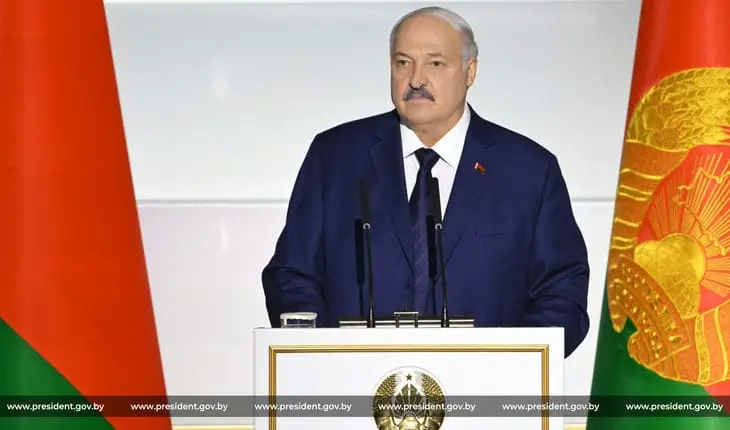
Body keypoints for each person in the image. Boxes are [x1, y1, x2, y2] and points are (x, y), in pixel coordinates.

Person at [262, 6, 589, 356]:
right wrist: (322, 356)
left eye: (435, 63)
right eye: (403, 63)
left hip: (484, 385)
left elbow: (562, 293)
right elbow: (292, 275)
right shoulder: (335, 157)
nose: (416, 80)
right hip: (354, 383)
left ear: (470, 71)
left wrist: (506, 365)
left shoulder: (529, 170)